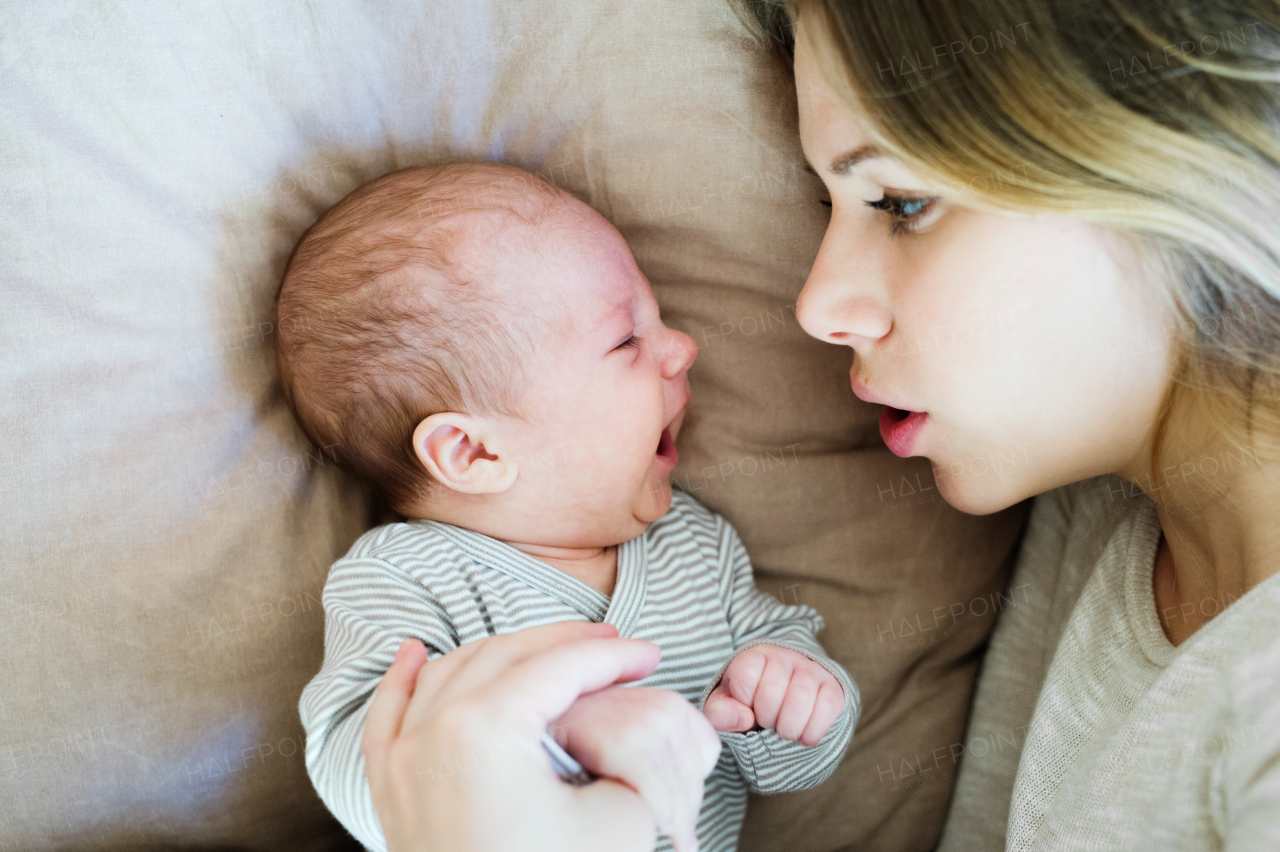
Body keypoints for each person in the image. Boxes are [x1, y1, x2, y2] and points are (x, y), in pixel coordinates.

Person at [736, 0, 1280, 849]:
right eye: (826, 206)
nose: (817, 308)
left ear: (1169, 151)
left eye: (900, 202)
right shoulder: (1100, 505)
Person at [276, 162, 859, 852]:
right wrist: (551, 733)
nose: (681, 348)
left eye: (659, 318)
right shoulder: (407, 578)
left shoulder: (696, 547)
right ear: (473, 453)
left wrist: (787, 697)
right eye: (626, 339)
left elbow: (785, 763)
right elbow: (357, 762)